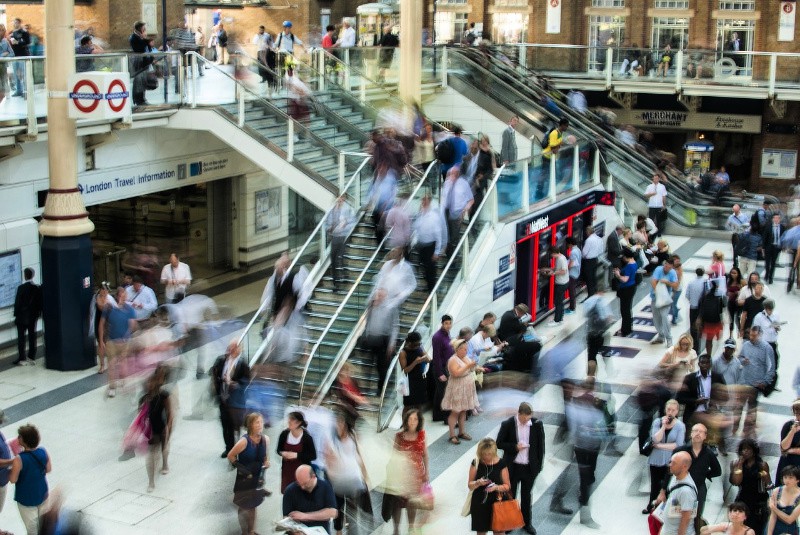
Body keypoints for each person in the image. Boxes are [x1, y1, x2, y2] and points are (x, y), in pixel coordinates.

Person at [658, 423, 721, 522]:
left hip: (699, 488)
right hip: (680, 487)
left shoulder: (708, 453)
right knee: (676, 516)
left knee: (696, 517)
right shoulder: (680, 450)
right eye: (695, 431)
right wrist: (663, 491)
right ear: (691, 434)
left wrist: (705, 474)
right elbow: (669, 471)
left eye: (701, 432)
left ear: (705, 436)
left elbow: (717, 471)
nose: (698, 433)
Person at [496, 403, 542, 535]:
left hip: (529, 468)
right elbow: (499, 443)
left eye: (529, 418)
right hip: (513, 467)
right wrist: (515, 447)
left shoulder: (537, 425)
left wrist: (538, 467)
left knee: (526, 496)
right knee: (510, 496)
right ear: (519, 414)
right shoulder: (508, 424)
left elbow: (540, 447)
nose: (527, 421)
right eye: (524, 419)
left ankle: (527, 523)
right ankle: (509, 523)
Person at [325, 410, 368, 535]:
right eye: (337, 423)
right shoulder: (331, 439)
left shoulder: (352, 436)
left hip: (353, 479)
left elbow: (359, 455)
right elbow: (327, 460)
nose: (339, 426)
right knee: (338, 508)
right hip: (337, 481)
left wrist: (365, 476)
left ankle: (351, 531)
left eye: (341, 423)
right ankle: (338, 530)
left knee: (352, 509)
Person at [228, 413, 270, 535]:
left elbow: (265, 457)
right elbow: (231, 455)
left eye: (261, 422)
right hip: (244, 480)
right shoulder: (244, 441)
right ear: (250, 425)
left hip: (257, 479)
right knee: (243, 506)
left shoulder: (265, 439)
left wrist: (267, 462)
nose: (260, 425)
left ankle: (251, 531)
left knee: (253, 505)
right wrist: (243, 470)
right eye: (257, 422)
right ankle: (244, 532)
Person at [389, 408, 429, 534]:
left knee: (412, 503)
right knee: (397, 504)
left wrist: (426, 472)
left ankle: (411, 527)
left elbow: (425, 455)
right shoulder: (399, 436)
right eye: (410, 419)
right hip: (401, 475)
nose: (412, 422)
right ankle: (396, 529)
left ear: (419, 421)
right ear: (406, 421)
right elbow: (393, 455)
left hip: (416, 476)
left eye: (415, 419)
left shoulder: (422, 434)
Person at [211, 341, 251, 458]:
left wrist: (236, 384)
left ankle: (236, 451)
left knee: (235, 427)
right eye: (230, 347)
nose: (231, 350)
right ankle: (228, 448)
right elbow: (215, 373)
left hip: (236, 402)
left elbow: (246, 380)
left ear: (239, 349)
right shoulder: (222, 360)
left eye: (234, 347)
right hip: (223, 399)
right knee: (225, 425)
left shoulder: (242, 363)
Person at [645, 399, 686, 514]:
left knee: (666, 485)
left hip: (670, 460)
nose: (670, 412)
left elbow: (678, 445)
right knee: (654, 483)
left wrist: (659, 446)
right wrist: (663, 427)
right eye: (668, 409)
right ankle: (651, 505)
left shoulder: (680, 426)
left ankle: (663, 509)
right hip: (656, 458)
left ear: (677, 411)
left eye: (673, 410)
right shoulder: (657, 422)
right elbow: (655, 438)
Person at [9, 424, 51, 535]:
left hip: (26, 498)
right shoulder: (43, 451)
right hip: (42, 493)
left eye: (20, 436)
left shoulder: (19, 459)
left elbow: (13, 479)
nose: (18, 438)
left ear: (24, 440)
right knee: (44, 527)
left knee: (32, 529)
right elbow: (48, 469)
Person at [467, 438, 511, 535]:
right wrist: (478, 483)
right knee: (481, 531)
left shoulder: (501, 463)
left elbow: (507, 486)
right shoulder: (476, 462)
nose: (486, 457)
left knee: (499, 531)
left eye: (489, 454)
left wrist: (496, 487)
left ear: (494, 452)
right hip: (480, 502)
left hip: (498, 501)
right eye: (484, 454)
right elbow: (470, 485)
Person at [99, 286, 137, 398]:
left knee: (124, 365)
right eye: (121, 295)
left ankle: (124, 383)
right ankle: (112, 387)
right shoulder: (109, 308)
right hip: (112, 341)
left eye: (125, 296)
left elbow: (133, 325)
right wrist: (101, 340)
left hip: (125, 342)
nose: (123, 298)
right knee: (111, 365)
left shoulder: (130, 310)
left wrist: (129, 335)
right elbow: (101, 324)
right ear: (117, 296)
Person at [739, 326, 776, 437]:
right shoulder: (745, 345)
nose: (751, 337)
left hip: (756, 384)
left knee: (751, 408)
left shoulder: (767, 348)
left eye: (754, 336)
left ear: (760, 335)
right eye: (750, 335)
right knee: (739, 406)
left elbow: (772, 367)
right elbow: (739, 357)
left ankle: (748, 431)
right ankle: (736, 428)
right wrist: (742, 360)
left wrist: (765, 381)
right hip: (744, 381)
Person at [731, 439, 771, 535]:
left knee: (757, 529)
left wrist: (763, 474)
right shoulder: (736, 464)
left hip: (758, 501)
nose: (745, 451)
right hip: (743, 499)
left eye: (748, 449)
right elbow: (736, 482)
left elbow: (768, 482)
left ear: (754, 450)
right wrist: (740, 465)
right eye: (743, 449)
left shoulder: (762, 464)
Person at [282, 464, 338, 534]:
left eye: (305, 484)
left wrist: (305, 516)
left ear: (313, 477)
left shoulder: (325, 486)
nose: (302, 487)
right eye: (299, 483)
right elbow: (286, 518)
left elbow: (333, 513)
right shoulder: (290, 490)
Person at [442, 339, 479, 444]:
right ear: (457, 349)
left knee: (463, 410)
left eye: (466, 349)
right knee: (455, 411)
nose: (465, 351)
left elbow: (470, 369)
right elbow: (455, 373)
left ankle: (461, 432)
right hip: (457, 387)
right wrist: (468, 366)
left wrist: (476, 367)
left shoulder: (465, 357)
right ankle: (452, 435)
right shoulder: (453, 360)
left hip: (466, 386)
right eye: (463, 349)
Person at [142, 368, 173, 493]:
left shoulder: (163, 395)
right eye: (147, 383)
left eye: (151, 382)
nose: (149, 385)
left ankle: (165, 463)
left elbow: (170, 413)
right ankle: (151, 481)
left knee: (164, 448)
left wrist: (169, 428)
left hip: (161, 426)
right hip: (150, 430)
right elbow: (141, 416)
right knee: (151, 455)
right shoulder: (145, 398)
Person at [658, 451, 698, 535]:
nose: (670, 465)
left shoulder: (686, 491)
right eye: (670, 461)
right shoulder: (675, 477)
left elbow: (686, 518)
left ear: (684, 467)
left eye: (674, 463)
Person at [277, 412, 317, 494]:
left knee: (300, 493)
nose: (289, 421)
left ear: (298, 423)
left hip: (302, 472)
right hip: (287, 471)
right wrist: (282, 453)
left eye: (292, 420)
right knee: (288, 492)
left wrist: (297, 455)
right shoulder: (284, 434)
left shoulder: (307, 438)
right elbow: (278, 449)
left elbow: (313, 456)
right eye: (289, 419)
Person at [413, 193, 446, 293]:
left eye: (425, 200)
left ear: (429, 202)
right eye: (422, 200)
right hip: (421, 245)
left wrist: (437, 252)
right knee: (423, 267)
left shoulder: (434, 216)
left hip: (431, 246)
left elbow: (438, 234)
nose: (423, 202)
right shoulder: (420, 214)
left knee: (431, 269)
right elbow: (415, 227)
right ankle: (428, 286)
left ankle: (432, 289)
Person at [441, 165, 475, 257]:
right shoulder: (447, 183)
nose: (452, 175)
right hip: (446, 212)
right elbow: (444, 197)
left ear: (458, 174)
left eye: (454, 173)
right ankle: (448, 253)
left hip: (458, 213)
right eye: (450, 173)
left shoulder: (464, 184)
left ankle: (453, 258)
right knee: (447, 235)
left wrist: (465, 210)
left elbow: (471, 200)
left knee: (454, 237)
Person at [13, 267, 42, 366]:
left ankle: (22, 358)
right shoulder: (36, 288)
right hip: (33, 317)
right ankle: (31, 356)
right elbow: (39, 303)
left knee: (21, 338)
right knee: (32, 336)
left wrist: (16, 314)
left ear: (25, 275)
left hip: (21, 317)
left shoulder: (21, 288)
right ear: (33, 275)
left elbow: (17, 303)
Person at [326, 194, 355, 291]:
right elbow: (327, 223)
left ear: (344, 199)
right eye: (339, 198)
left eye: (342, 198)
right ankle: (335, 283)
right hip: (334, 237)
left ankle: (344, 275)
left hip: (343, 237)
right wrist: (329, 229)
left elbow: (352, 222)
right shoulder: (332, 210)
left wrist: (343, 227)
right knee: (333, 259)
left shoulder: (348, 209)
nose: (340, 200)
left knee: (341, 257)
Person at [651, 257, 680, 346]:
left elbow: (675, 286)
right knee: (656, 318)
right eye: (666, 267)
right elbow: (653, 281)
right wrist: (657, 291)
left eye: (669, 268)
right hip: (655, 297)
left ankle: (669, 338)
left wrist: (667, 282)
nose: (667, 269)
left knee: (664, 317)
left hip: (666, 298)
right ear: (664, 264)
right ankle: (661, 335)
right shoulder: (658, 269)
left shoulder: (672, 273)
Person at [584, 290, 613, 377]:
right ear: (600, 292)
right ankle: (609, 372)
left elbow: (585, 316)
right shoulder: (602, 301)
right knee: (605, 354)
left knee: (591, 355)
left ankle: (591, 375)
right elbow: (609, 318)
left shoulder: (587, 301)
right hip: (602, 333)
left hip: (591, 333)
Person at [399, 332, 432, 409]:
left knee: (419, 404)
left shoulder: (419, 348)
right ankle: (405, 421)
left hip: (420, 379)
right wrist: (415, 362)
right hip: (409, 381)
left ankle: (417, 420)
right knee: (407, 406)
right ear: (410, 343)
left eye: (419, 343)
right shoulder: (403, 353)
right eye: (416, 344)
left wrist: (425, 356)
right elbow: (405, 371)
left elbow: (429, 360)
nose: (418, 345)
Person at [431, 315, 454, 423]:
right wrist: (440, 373)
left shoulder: (446, 334)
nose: (448, 325)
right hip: (440, 368)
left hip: (447, 367)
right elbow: (437, 356)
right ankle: (444, 417)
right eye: (446, 323)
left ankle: (438, 416)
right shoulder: (437, 337)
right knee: (443, 393)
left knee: (441, 392)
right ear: (442, 323)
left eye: (450, 323)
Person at [767, 466, 800, 535]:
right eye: (785, 477)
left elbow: (790, 520)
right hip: (777, 528)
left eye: (791, 478)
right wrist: (769, 533)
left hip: (793, 529)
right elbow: (773, 516)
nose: (787, 480)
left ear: (797, 480)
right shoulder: (777, 491)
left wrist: (773, 508)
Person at [613, 249, 638, 336]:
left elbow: (625, 279)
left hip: (626, 289)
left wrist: (618, 275)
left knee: (624, 310)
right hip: (632, 287)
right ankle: (627, 327)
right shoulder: (634, 263)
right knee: (627, 309)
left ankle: (625, 329)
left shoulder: (629, 266)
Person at [699, 280, 726, 357]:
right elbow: (724, 306)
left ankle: (709, 355)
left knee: (709, 340)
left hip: (707, 322)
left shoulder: (705, 295)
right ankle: (716, 355)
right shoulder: (721, 295)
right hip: (717, 321)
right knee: (718, 339)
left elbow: (701, 307)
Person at [545, 246, 570, 327]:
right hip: (563, 282)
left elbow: (563, 271)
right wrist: (551, 269)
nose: (551, 256)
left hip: (561, 284)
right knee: (560, 302)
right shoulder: (561, 258)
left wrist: (553, 273)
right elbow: (558, 268)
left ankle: (557, 320)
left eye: (551, 254)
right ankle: (560, 319)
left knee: (558, 302)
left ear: (554, 253)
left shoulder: (561, 259)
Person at [9, 18, 29, 98]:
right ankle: (18, 90)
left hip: (23, 55)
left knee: (23, 74)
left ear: (20, 23)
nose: (15, 24)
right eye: (14, 22)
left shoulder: (24, 32)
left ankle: (26, 91)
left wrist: (18, 42)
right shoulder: (12, 33)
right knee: (16, 74)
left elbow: (28, 42)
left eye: (16, 22)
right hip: (15, 56)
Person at [763, 213, 786, 286]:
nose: (776, 220)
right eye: (775, 218)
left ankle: (771, 277)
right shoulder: (768, 226)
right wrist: (763, 247)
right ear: (773, 219)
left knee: (773, 263)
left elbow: (783, 237)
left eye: (778, 218)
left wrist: (783, 246)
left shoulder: (782, 227)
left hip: (776, 247)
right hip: (769, 247)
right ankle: (767, 274)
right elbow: (764, 237)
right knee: (767, 262)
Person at [582, 227, 604, 297]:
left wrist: (583, 257)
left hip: (588, 261)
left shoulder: (589, 240)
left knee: (589, 278)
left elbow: (584, 253)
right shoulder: (599, 239)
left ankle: (590, 294)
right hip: (595, 259)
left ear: (588, 232)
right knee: (594, 277)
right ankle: (594, 292)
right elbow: (601, 250)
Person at [645, 172, 668, 238]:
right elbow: (646, 195)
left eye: (657, 178)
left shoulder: (662, 186)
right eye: (654, 178)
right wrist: (652, 194)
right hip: (651, 206)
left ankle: (659, 233)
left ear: (659, 179)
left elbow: (664, 196)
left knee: (659, 220)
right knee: (650, 219)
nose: (655, 180)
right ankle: (650, 232)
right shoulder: (649, 186)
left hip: (659, 206)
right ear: (653, 179)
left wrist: (664, 204)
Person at [727, 267, 745, 338]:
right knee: (731, 319)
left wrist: (739, 292)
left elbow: (746, 290)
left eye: (735, 273)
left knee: (738, 318)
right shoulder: (729, 281)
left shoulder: (741, 282)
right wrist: (728, 293)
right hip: (731, 302)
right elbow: (726, 290)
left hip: (738, 303)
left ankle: (739, 332)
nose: (733, 275)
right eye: (732, 273)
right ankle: (730, 335)